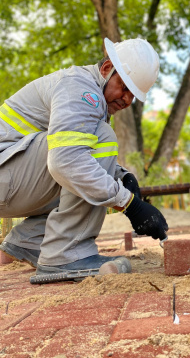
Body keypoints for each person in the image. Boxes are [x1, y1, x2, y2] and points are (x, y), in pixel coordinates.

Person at [0, 37, 169, 283]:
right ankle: (65, 254)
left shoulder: (85, 91)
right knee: (99, 140)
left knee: (89, 164)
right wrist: (130, 205)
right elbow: (66, 161)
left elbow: (69, 153)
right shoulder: (81, 89)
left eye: (133, 95)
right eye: (123, 87)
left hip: (11, 178)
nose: (126, 100)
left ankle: (30, 242)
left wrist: (122, 177)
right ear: (106, 68)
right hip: (7, 178)